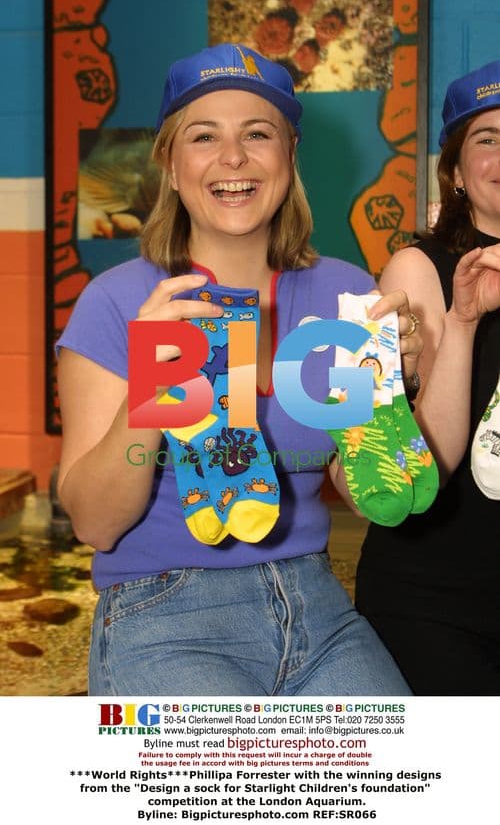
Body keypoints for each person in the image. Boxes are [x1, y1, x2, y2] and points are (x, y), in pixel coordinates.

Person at [56, 43, 420, 696]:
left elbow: (362, 486)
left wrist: (389, 395)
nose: (233, 157)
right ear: (169, 165)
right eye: (204, 136)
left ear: (287, 156)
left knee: (402, 790)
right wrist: (154, 385)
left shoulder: (343, 290)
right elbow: (95, 524)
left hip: (317, 601)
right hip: (163, 610)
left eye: (258, 133)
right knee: (225, 799)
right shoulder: (114, 300)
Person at [356, 59, 500, 695]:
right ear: (457, 171)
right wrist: (463, 322)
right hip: (434, 597)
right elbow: (410, 465)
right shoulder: (417, 271)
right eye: (487, 138)